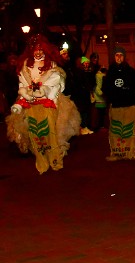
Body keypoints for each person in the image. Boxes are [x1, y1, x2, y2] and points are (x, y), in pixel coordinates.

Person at [5, 34, 81, 173]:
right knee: (35, 134)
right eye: (35, 49)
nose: (38, 52)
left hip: (48, 104)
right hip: (31, 104)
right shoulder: (26, 66)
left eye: (41, 49)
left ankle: (55, 159)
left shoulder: (51, 65)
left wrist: (44, 90)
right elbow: (22, 84)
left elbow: (57, 83)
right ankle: (41, 160)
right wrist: (26, 93)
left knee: (51, 132)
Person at [102, 46, 135, 161]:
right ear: (114, 57)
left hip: (130, 106)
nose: (119, 57)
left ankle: (131, 152)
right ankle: (117, 152)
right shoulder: (110, 73)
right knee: (116, 131)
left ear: (124, 57)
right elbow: (106, 88)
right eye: (116, 55)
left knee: (131, 131)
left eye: (121, 55)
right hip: (116, 107)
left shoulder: (130, 71)